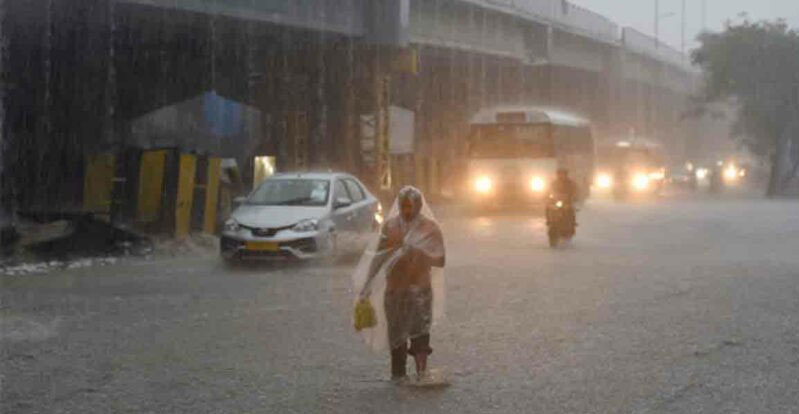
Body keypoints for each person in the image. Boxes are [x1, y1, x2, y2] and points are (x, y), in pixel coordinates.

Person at [354, 186, 446, 381]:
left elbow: (441, 260)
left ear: (419, 206)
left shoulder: (429, 228)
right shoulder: (390, 227)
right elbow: (378, 258)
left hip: (420, 290)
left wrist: (418, 253)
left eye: (410, 206)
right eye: (403, 206)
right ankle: (398, 375)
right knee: (396, 336)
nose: (406, 211)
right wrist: (367, 285)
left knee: (420, 334)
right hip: (395, 290)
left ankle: (422, 375)